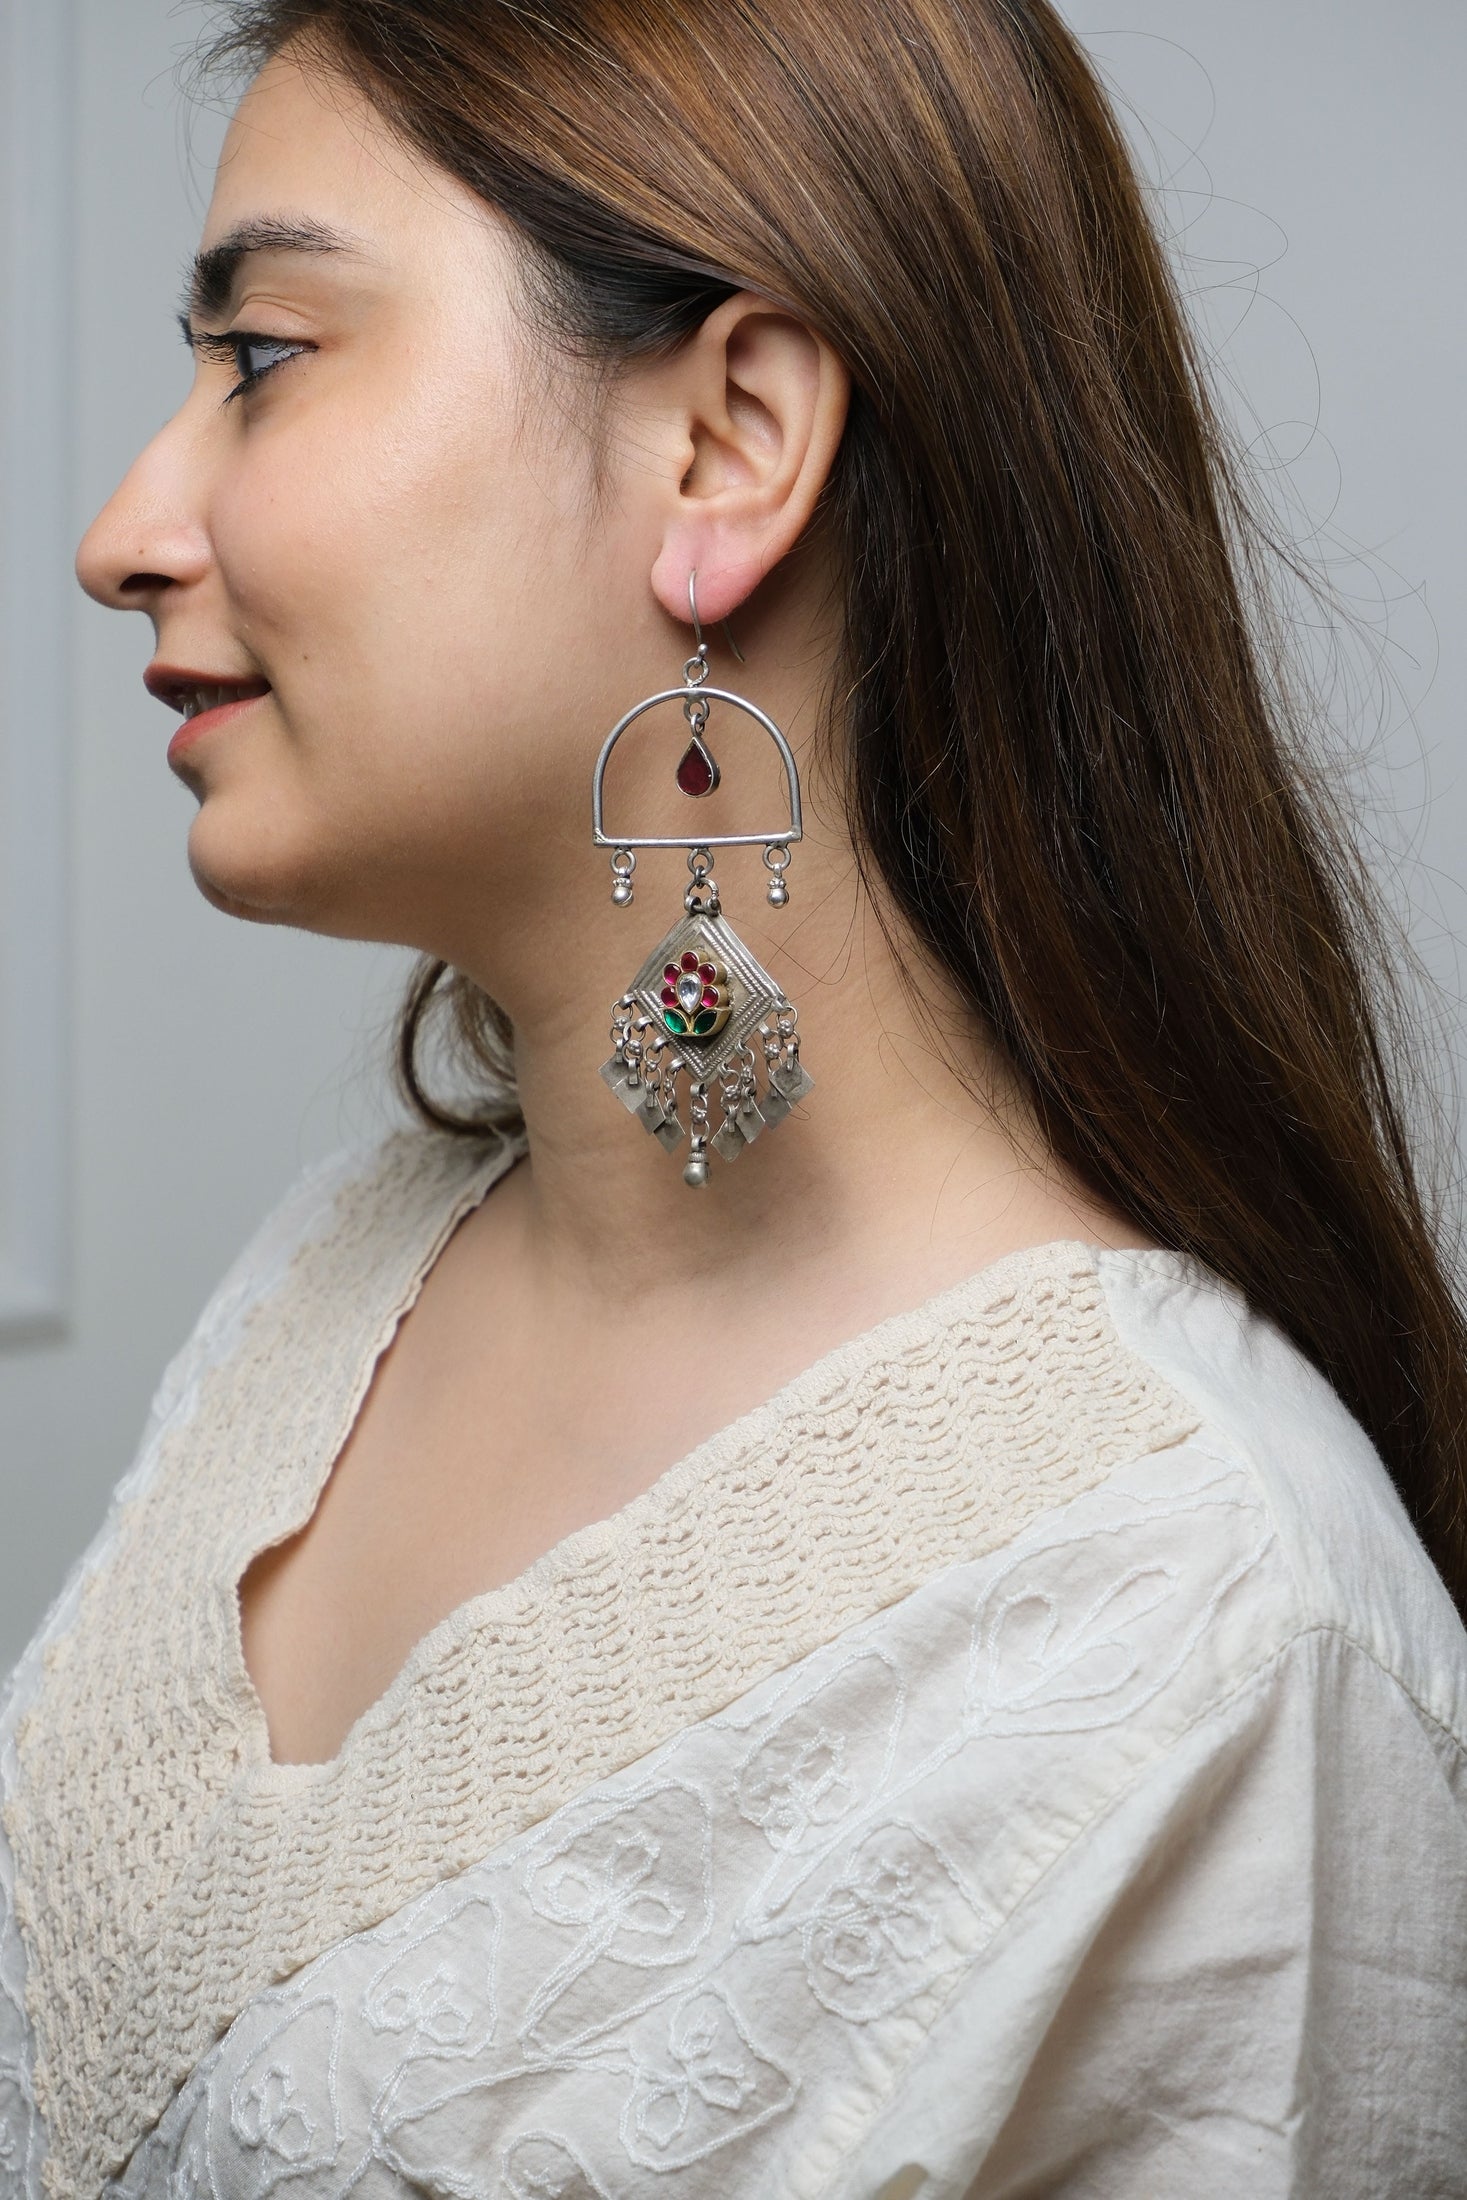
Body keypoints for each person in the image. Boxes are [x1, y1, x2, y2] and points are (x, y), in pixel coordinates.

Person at [3, 2, 1465, 2193]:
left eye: (265, 361)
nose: (128, 526)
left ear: (725, 445)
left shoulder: (1199, 1631)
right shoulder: (335, 1276)